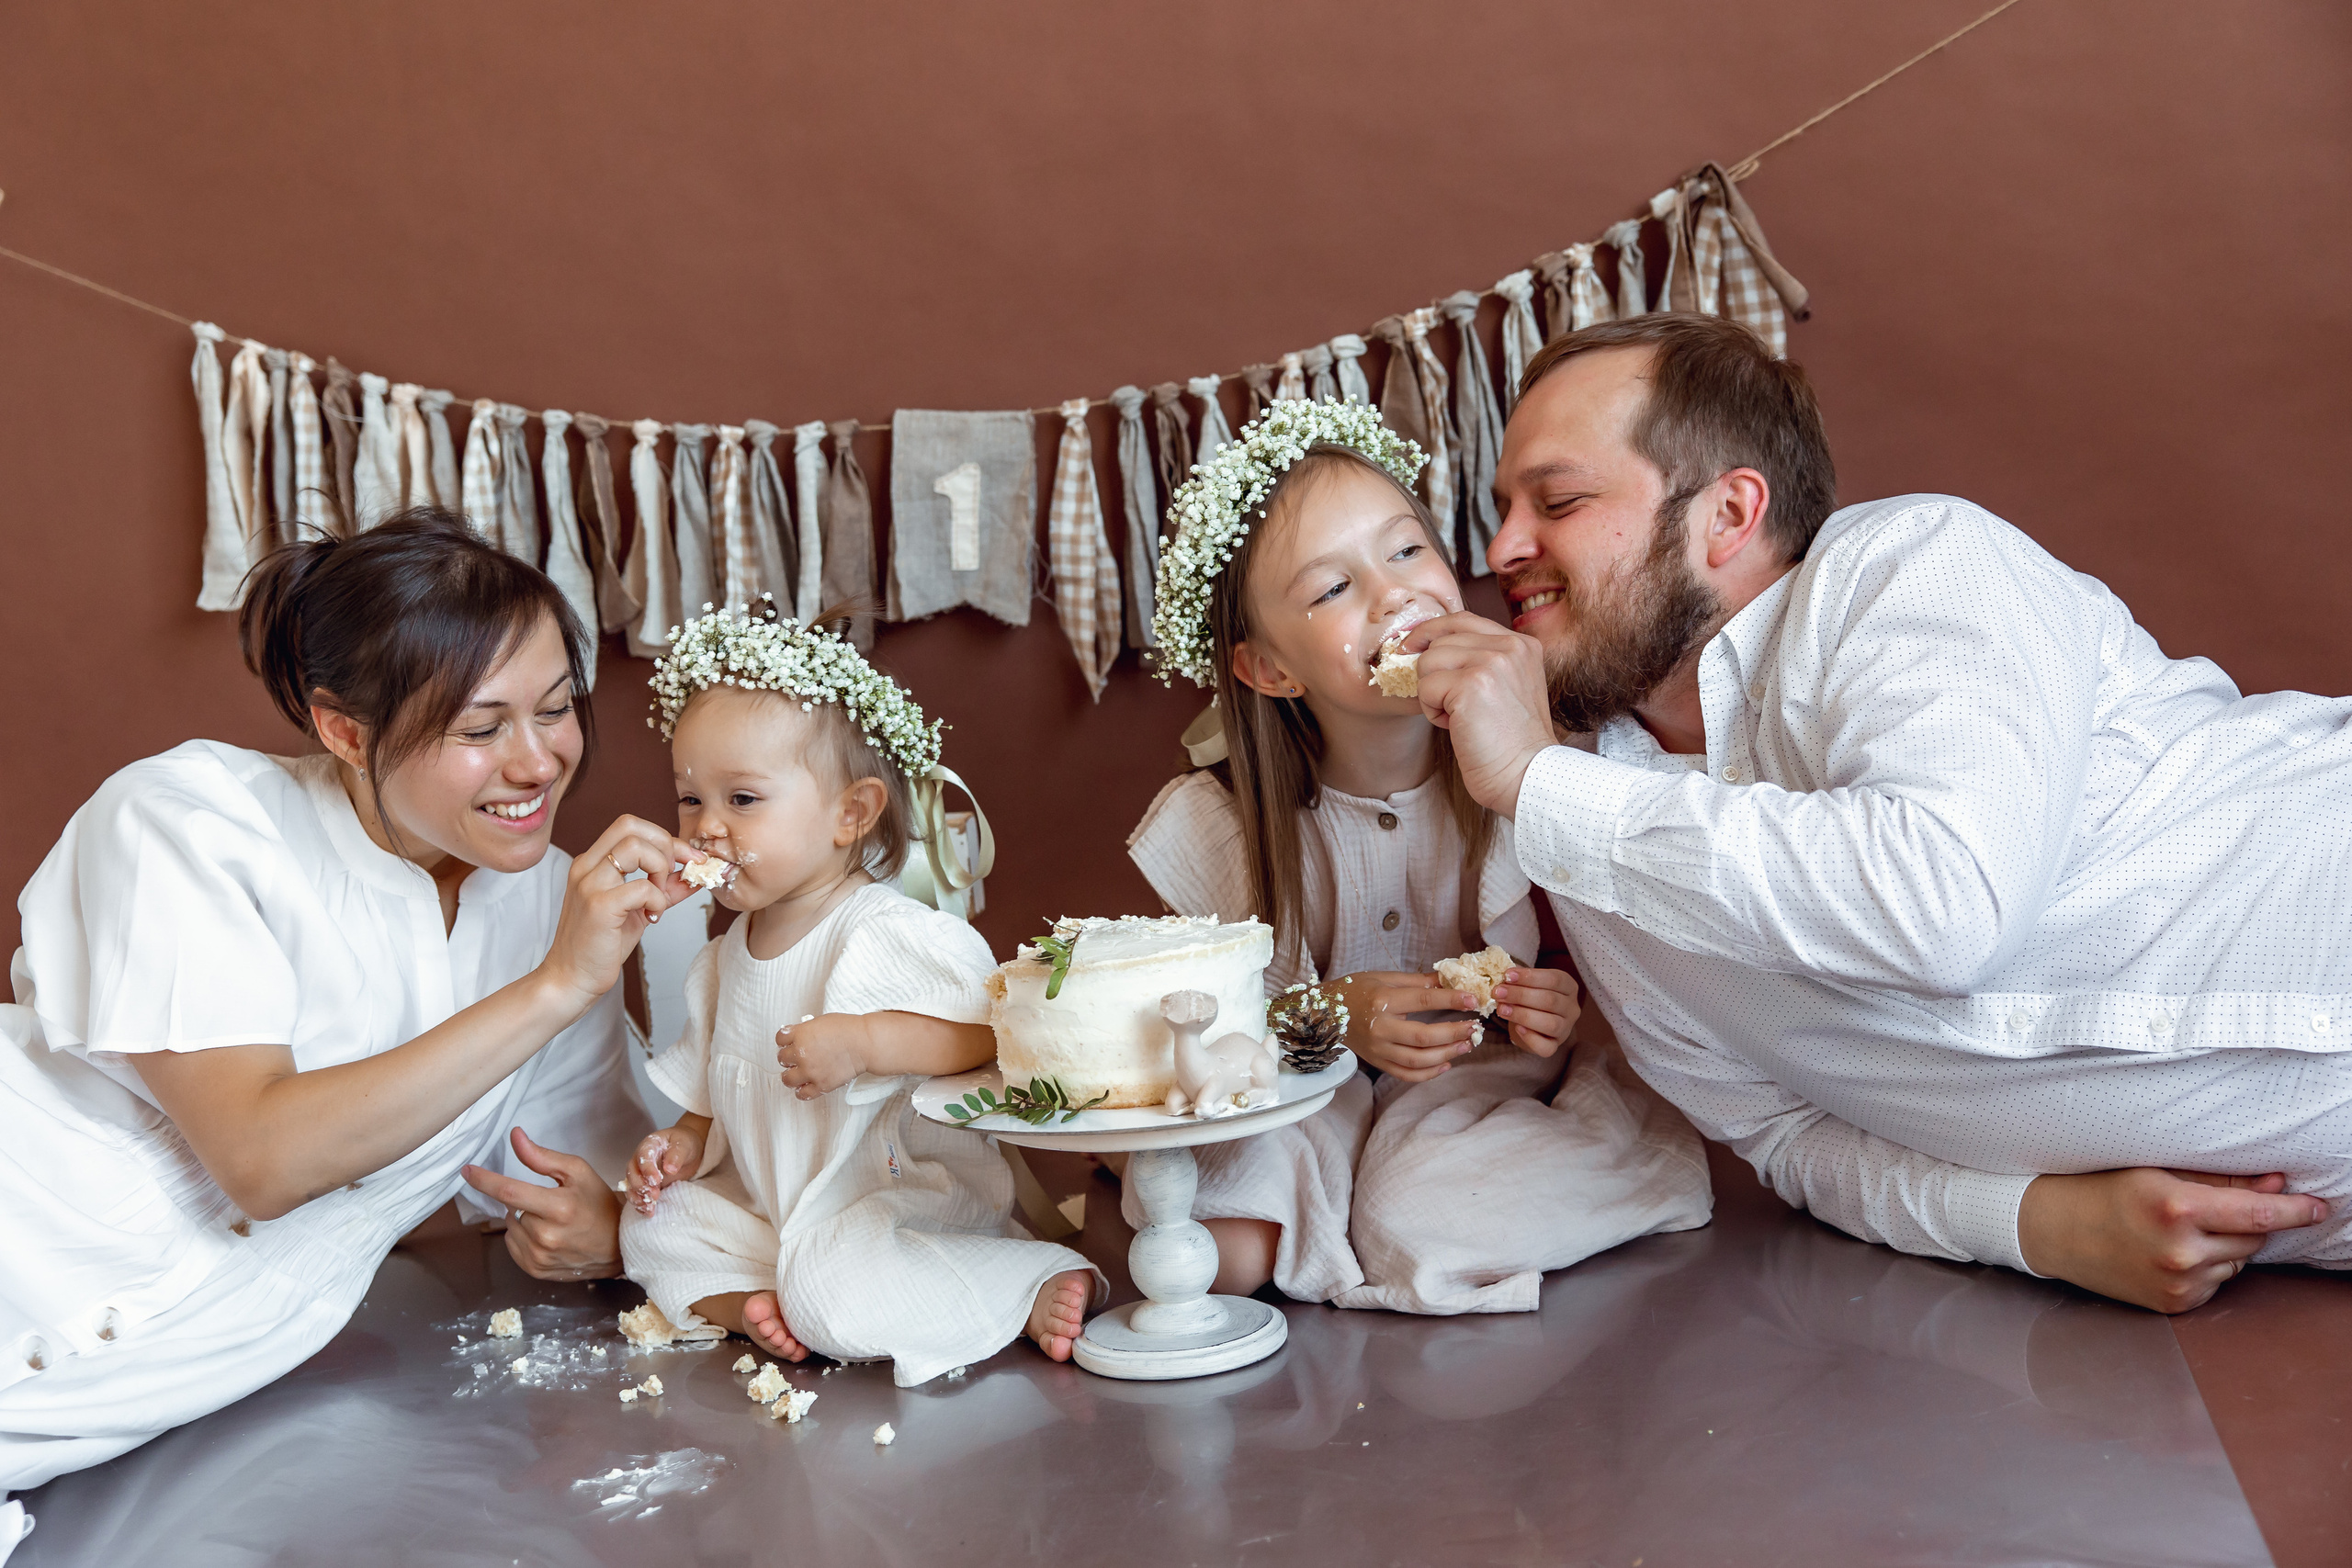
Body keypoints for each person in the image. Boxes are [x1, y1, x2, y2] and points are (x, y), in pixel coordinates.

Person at [1408, 312, 2347, 1314]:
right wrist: (2027, 1223)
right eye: (1505, 509)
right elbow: (1781, 1133)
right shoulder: (1592, 865)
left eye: (1556, 500)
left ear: (1728, 514)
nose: (1503, 548)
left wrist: (1538, 783)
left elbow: (1938, 903)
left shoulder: (1909, 566)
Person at [0, 511, 688, 1491]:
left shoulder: (556, 908)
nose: (537, 762)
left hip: (126, 1408)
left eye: (558, 707)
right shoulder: (187, 821)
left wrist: (611, 1224)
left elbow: (599, 1171)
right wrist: (554, 986)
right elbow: (264, 1160)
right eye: (482, 728)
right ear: (344, 729)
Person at [1125, 399, 1711, 1312]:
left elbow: (1565, 963)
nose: (1393, 593)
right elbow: (1195, 1027)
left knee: (1418, 1214)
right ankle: (1352, 1219)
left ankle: (1638, 1167)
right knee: (1222, 1254)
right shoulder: (1223, 824)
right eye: (1332, 590)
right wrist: (1325, 1015)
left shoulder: (1529, 764)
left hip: (1477, 1091)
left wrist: (1545, 1004)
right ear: (1269, 671)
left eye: (1406, 552)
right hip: (1298, 1093)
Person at [620, 601, 1099, 1383]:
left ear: (851, 813)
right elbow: (710, 1099)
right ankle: (746, 1298)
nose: (708, 828)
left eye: (741, 800)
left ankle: (1024, 1277)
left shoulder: (881, 931)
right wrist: (677, 1144)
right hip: (784, 1210)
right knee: (648, 1222)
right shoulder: (719, 961)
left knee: (829, 1290)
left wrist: (867, 1039)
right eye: (690, 799)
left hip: (897, 1202)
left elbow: (989, 1034)